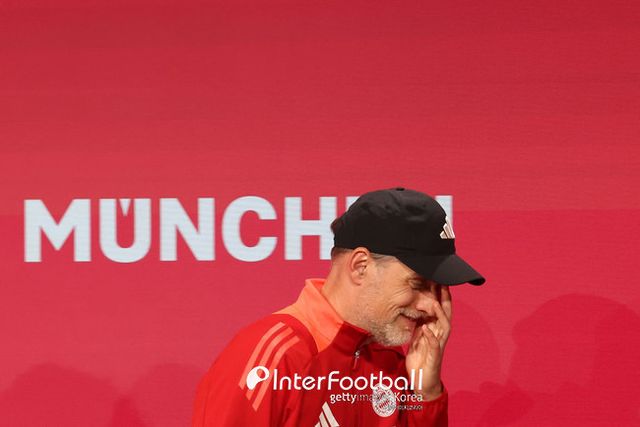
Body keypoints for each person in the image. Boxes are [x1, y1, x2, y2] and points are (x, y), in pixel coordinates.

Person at [193, 187, 485, 426]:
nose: (430, 306)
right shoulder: (272, 359)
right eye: (418, 284)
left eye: (437, 289)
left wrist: (425, 391)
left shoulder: (391, 361)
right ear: (360, 266)